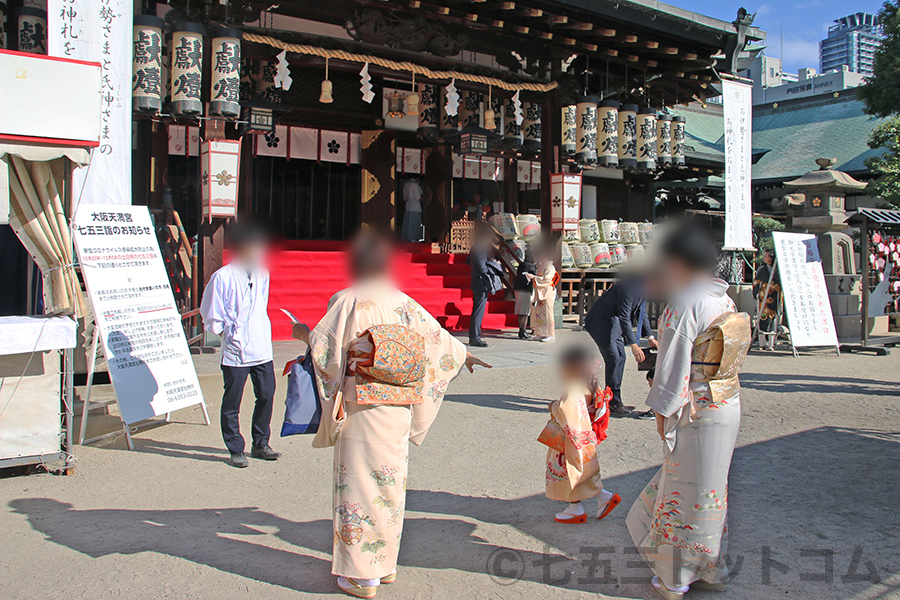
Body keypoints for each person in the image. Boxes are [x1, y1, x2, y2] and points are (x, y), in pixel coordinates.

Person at [291, 230, 491, 599]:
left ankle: (361, 577)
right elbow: (439, 344)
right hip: (397, 408)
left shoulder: (348, 299)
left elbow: (328, 352)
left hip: (362, 408)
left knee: (360, 486)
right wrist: (466, 355)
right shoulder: (404, 303)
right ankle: (385, 566)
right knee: (389, 487)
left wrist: (303, 333)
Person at [625, 222, 751, 600]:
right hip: (725, 403)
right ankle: (711, 568)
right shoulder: (723, 299)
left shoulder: (686, 301)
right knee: (711, 491)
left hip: (696, 409)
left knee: (685, 492)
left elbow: (675, 362)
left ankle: (675, 577)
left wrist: (664, 408)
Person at [199, 222, 280, 468]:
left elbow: (261, 304)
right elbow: (210, 311)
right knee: (233, 399)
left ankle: (260, 442)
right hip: (236, 347)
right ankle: (235, 446)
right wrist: (224, 332)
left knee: (266, 394)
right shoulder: (222, 277)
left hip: (260, 344)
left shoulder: (262, 272)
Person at [542, 346, 621, 523]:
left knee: (569, 472)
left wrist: (553, 405)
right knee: (586, 470)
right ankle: (604, 497)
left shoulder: (573, 388)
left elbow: (565, 409)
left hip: (570, 438)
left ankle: (575, 508)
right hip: (585, 437)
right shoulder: (591, 386)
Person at [584, 275, 659, 417]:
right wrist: (633, 344)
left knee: (621, 358)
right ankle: (612, 402)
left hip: (614, 323)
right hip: (601, 323)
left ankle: (614, 399)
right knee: (613, 358)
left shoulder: (642, 289)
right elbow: (625, 316)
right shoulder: (629, 288)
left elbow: (641, 313)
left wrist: (650, 337)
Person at [467, 224, 494, 347]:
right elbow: (482, 268)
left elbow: (468, 261)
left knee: (477, 310)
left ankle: (475, 336)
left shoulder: (474, 248)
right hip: (480, 282)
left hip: (477, 281)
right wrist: (492, 265)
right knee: (478, 311)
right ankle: (475, 337)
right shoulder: (479, 249)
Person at [527, 244, 557, 342]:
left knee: (548, 312)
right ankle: (541, 333)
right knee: (539, 312)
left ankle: (550, 334)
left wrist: (534, 277)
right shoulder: (541, 266)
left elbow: (546, 279)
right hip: (541, 291)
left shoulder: (550, 266)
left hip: (547, 291)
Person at [752, 249, 782, 336]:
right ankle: (762, 341)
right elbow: (756, 282)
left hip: (774, 296)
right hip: (763, 297)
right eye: (764, 255)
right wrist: (756, 293)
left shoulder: (777, 269)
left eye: (766, 256)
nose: (764, 258)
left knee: (773, 318)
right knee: (763, 317)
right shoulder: (762, 269)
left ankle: (771, 342)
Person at [513, 250, 537, 339]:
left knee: (521, 311)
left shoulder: (522, 265)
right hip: (525, 290)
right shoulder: (530, 266)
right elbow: (535, 277)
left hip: (518, 289)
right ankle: (522, 331)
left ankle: (521, 330)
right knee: (525, 312)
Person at [400, 177, 423, 242]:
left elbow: (405, 197)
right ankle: (413, 238)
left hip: (408, 206)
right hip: (415, 206)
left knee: (408, 223)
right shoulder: (414, 185)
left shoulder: (406, 184)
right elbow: (417, 197)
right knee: (414, 223)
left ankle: (407, 237)